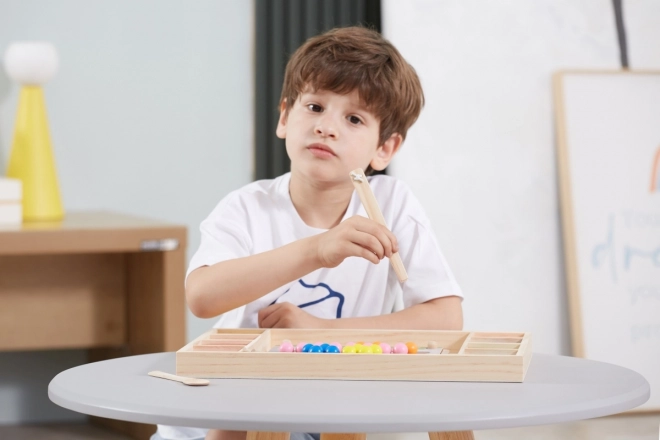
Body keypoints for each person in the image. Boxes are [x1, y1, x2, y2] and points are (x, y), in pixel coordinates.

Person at [153, 26, 463, 440]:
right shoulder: (247, 207)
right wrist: (317, 249)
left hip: (327, 411)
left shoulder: (393, 203)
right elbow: (202, 297)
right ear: (285, 117)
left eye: (353, 118)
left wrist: (322, 333)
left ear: (384, 149)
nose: (327, 128)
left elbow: (446, 320)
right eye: (315, 107)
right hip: (223, 415)